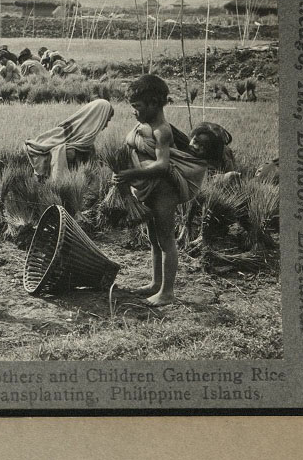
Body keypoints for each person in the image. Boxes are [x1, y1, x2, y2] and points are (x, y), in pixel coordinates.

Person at [112, 74, 206, 306]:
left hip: (164, 188)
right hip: (149, 188)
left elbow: (163, 164)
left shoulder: (161, 130)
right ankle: (155, 284)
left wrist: (131, 174)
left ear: (154, 103)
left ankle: (167, 292)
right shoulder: (143, 124)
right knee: (154, 238)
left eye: (138, 106)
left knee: (166, 239)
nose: (134, 111)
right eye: (133, 107)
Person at [24, 99, 113, 181]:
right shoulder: (69, 130)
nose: (106, 125)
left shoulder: (87, 139)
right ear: (98, 118)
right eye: (106, 120)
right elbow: (44, 144)